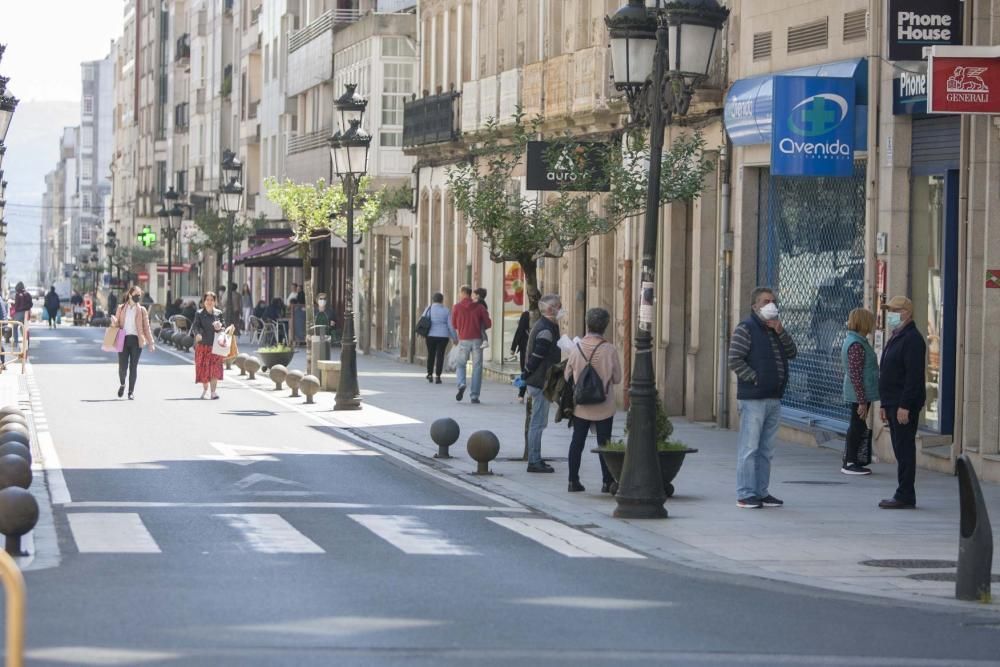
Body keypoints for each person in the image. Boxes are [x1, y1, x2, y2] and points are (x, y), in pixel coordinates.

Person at [727, 286, 797, 509]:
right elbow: (735, 359)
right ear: (755, 306)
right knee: (749, 448)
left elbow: (792, 352)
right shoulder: (746, 328)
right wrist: (755, 378)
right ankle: (745, 493)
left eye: (774, 301)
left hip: (774, 397)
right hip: (753, 398)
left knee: (766, 449)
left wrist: (781, 331)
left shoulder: (774, 329)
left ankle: (761, 491)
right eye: (766, 301)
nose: (772, 305)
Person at [565, 307, 621, 493]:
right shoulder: (609, 349)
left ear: (587, 324)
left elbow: (567, 375)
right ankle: (607, 481)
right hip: (604, 404)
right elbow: (618, 378)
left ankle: (573, 480)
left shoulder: (576, 348)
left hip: (581, 405)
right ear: (605, 326)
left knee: (577, 442)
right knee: (604, 443)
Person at [878, 295, 926, 509]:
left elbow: (913, 376)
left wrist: (904, 406)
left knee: (905, 448)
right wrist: (884, 404)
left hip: (903, 404)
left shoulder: (912, 339)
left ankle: (905, 494)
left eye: (895, 311)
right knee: (899, 447)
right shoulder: (896, 336)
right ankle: (903, 491)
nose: (891, 315)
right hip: (892, 402)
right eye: (889, 311)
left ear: (906, 312)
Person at [522, 294, 564, 473]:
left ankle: (535, 458)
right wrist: (527, 375)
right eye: (558, 306)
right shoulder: (546, 329)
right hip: (540, 382)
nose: (561, 309)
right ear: (549, 309)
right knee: (538, 423)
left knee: (538, 422)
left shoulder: (547, 326)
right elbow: (537, 357)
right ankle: (534, 460)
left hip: (539, 381)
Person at [841, 307, 879, 476]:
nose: (873, 325)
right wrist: (862, 400)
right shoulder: (856, 344)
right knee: (857, 425)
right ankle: (850, 462)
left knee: (858, 424)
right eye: (871, 321)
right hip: (859, 393)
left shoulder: (857, 341)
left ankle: (852, 460)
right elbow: (856, 374)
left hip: (861, 392)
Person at [111, 285, 156, 400]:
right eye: (136, 295)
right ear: (130, 295)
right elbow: (116, 325)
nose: (138, 297)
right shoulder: (121, 308)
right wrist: (114, 322)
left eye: (139, 295)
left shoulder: (142, 310)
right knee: (122, 366)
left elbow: (146, 327)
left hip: (136, 340)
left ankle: (130, 392)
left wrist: (151, 342)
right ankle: (122, 384)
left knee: (133, 366)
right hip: (123, 339)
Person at [451, 285, 492, 404]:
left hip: (464, 339)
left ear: (463, 293)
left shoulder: (457, 307)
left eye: (460, 293)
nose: (459, 295)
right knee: (477, 367)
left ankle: (462, 383)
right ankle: (474, 396)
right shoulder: (479, 307)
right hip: (478, 340)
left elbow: (454, 325)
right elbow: (488, 323)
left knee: (461, 364)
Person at [191, 291, 226, 400]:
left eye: (212, 300)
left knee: (215, 369)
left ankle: (213, 392)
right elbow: (195, 326)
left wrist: (219, 327)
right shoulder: (199, 313)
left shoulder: (219, 313)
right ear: (204, 302)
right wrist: (198, 334)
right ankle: (205, 389)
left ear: (215, 302)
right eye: (207, 300)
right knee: (204, 370)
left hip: (215, 346)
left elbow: (224, 327)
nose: (209, 302)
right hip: (203, 346)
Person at [423, 292, 457, 384]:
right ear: (442, 300)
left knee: (431, 354)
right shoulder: (446, 310)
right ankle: (438, 376)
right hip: (443, 336)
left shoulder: (428, 309)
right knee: (440, 355)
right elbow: (450, 325)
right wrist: (454, 338)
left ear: (433, 300)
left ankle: (430, 374)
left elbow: (423, 320)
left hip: (430, 335)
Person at [511, 310, 530, 402]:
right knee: (525, 372)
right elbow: (518, 333)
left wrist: (513, 348)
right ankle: (522, 393)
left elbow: (519, 332)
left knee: (525, 371)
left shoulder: (526, 315)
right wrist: (513, 348)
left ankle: (522, 394)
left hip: (527, 351)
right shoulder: (523, 329)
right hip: (525, 350)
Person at [11, 283, 32, 347]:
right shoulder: (28, 294)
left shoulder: (18, 294)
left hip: (19, 312)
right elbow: (31, 304)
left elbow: (17, 305)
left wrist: (13, 305)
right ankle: (26, 341)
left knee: (15, 326)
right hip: (26, 312)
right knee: (24, 327)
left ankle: (15, 342)